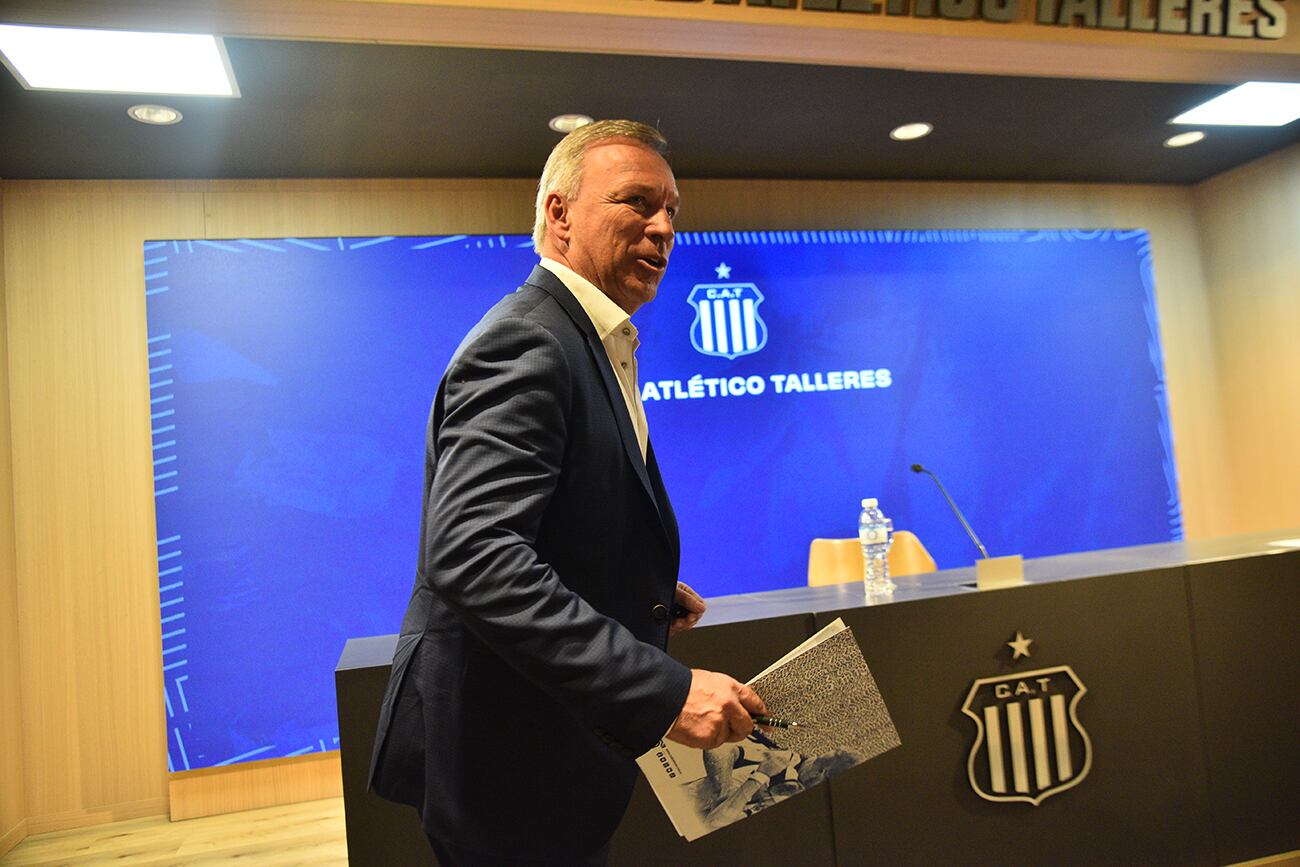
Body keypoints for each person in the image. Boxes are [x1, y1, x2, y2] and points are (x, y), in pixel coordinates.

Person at [367, 119, 767, 866]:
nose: (663, 227)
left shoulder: (586, 337)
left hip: (541, 750)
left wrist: (631, 587)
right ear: (559, 215)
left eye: (673, 210)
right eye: (637, 202)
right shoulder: (530, 339)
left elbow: (540, 524)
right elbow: (475, 555)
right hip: (508, 760)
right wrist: (661, 690)